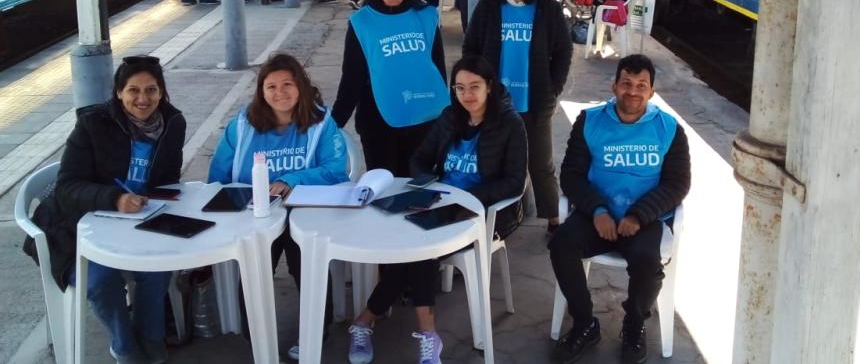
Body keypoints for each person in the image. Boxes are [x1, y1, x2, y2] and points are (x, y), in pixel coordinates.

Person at [346, 55, 528, 364]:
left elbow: (514, 182)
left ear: (490, 87)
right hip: (440, 201)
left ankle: (370, 321)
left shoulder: (509, 123)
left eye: (475, 87)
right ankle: (402, 330)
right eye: (460, 88)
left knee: (421, 252)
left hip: (483, 211)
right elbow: (420, 158)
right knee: (397, 236)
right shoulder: (449, 117)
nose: (467, 95)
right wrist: (428, 185)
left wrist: (468, 197)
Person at [24, 56, 186, 364]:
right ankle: (124, 346)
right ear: (119, 93)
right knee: (100, 281)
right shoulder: (92, 123)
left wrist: (158, 198)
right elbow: (67, 186)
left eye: (151, 90)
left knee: (158, 267)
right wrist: (115, 198)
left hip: (137, 219)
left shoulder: (172, 123)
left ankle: (150, 336)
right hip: (74, 225)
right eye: (133, 90)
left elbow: (169, 177)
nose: (143, 99)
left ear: (162, 92)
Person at [548, 54, 690, 364]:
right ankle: (585, 323)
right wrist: (597, 210)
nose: (633, 91)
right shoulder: (589, 121)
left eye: (642, 86)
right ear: (614, 86)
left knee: (647, 261)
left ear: (651, 92)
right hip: (596, 216)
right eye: (626, 83)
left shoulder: (669, 128)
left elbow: (678, 184)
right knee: (560, 244)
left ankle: (634, 323)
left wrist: (639, 215)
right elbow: (571, 174)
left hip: (643, 219)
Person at [208, 53, 349, 361]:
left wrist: (293, 179)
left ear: (301, 86)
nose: (279, 92)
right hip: (254, 213)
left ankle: (316, 329)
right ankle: (255, 334)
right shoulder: (242, 127)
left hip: (304, 209)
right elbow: (219, 175)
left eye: (287, 84)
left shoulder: (321, 123)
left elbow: (337, 169)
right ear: (261, 92)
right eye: (270, 86)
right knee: (254, 264)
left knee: (307, 262)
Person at [463, 0, 572, 236]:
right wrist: (475, 88)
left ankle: (553, 221)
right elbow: (471, 47)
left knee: (540, 164)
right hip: (495, 102)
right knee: (496, 161)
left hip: (535, 101)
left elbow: (563, 50)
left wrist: (553, 89)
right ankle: (501, 217)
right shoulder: (489, 5)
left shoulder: (547, 7)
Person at [331, 0, 448, 177]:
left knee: (418, 190)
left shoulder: (426, 17)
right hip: (377, 121)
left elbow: (438, 69)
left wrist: (450, 115)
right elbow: (352, 79)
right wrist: (334, 123)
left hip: (425, 118)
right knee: (384, 193)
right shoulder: (362, 22)